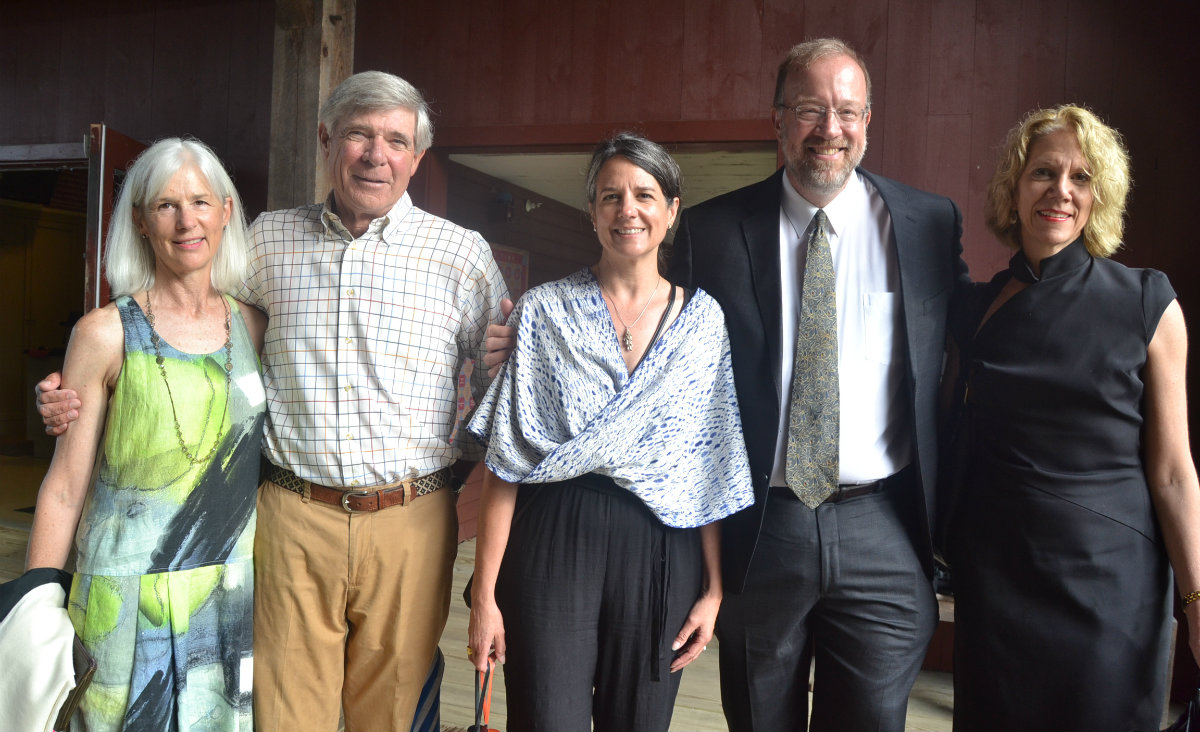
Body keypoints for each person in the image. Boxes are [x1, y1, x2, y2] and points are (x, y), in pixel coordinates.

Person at [37, 71, 509, 732]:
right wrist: (76, 392)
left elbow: (500, 401)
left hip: (411, 518)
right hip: (290, 518)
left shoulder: (462, 256)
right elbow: (188, 330)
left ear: (417, 158)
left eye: (396, 140)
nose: (377, 154)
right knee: (284, 714)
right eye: (359, 135)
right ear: (326, 141)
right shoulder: (266, 243)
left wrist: (471, 451)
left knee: (394, 711)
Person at [466, 132, 753, 732]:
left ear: (672, 210)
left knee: (641, 721)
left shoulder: (703, 322)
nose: (628, 210)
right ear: (591, 213)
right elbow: (507, 460)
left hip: (662, 544)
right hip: (555, 535)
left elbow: (710, 465)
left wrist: (715, 590)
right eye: (610, 196)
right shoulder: (545, 310)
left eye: (645, 195)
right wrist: (485, 598)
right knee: (547, 717)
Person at [943, 105, 1200, 732]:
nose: (1061, 190)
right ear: (1014, 187)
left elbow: (1171, 473)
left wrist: (1197, 602)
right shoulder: (974, 310)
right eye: (1043, 173)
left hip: (1111, 591)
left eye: (1081, 177)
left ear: (1099, 194)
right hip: (998, 587)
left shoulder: (1148, 302)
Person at [24, 137, 267, 731]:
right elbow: (64, 485)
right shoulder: (105, 333)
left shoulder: (255, 326)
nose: (188, 221)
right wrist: (34, 606)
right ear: (139, 221)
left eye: (201, 202)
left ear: (227, 211)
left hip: (228, 596)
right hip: (122, 602)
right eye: (166, 205)